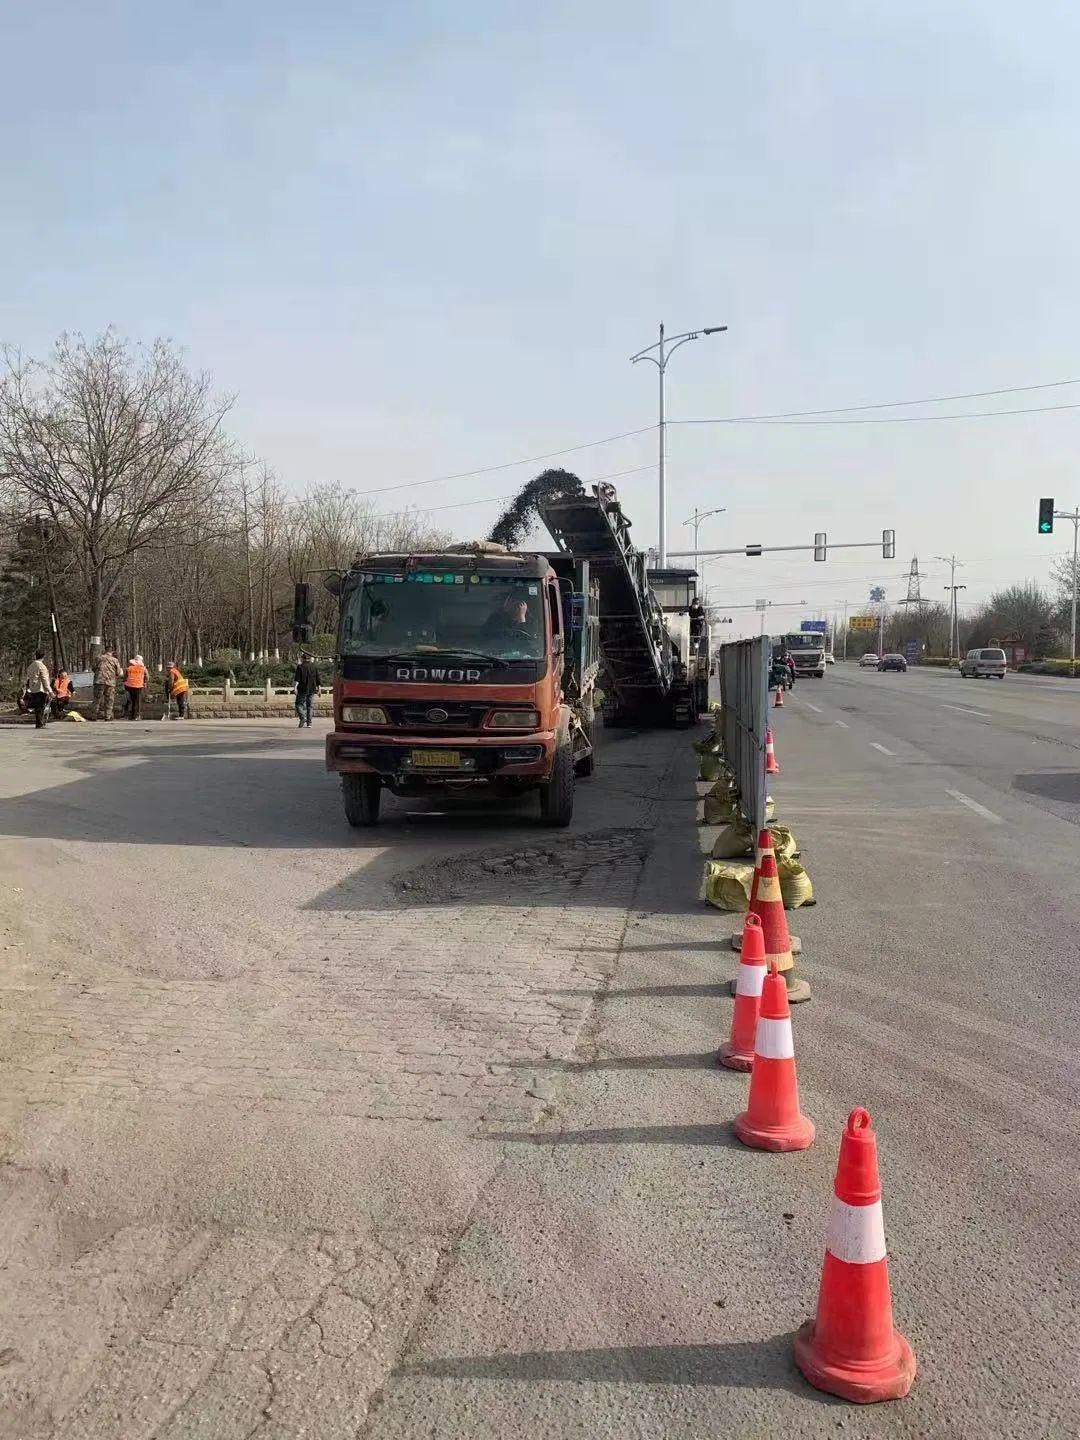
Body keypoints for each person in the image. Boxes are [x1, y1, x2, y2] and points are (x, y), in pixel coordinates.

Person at [23, 652, 53, 730]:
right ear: (43, 656)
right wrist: (50, 691)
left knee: (37, 707)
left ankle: (38, 722)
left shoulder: (30, 666)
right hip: (41, 688)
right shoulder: (41, 666)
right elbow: (44, 679)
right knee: (41, 707)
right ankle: (40, 723)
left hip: (33, 689)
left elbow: (29, 678)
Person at [94, 648, 124, 720]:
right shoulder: (115, 660)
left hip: (99, 681)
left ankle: (93, 715)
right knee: (109, 700)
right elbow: (118, 672)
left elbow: (93, 668)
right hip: (110, 682)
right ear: (112, 652)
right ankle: (108, 716)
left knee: (97, 699)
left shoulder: (98, 658)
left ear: (105, 651)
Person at [294, 651, 320, 728]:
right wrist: (319, 689)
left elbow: (297, 679)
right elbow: (318, 679)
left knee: (298, 704)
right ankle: (309, 723)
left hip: (302, 689)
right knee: (310, 706)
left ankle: (303, 717)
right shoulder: (314, 666)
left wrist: (295, 688)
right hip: (312, 689)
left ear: (303, 658)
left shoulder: (300, 667)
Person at [124, 654, 148, 719]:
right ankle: (136, 715)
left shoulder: (129, 668)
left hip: (129, 686)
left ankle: (129, 714)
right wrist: (145, 682)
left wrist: (125, 683)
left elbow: (125, 677)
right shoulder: (143, 668)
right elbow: (147, 677)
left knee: (131, 700)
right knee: (137, 701)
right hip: (139, 686)